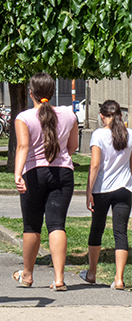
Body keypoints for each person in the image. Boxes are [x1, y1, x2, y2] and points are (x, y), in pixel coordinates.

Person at [13, 72, 79, 291]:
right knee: (57, 225)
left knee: (32, 226)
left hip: (34, 173)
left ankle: (28, 275)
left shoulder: (24, 117)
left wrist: (18, 174)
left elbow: (23, 147)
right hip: (62, 173)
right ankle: (59, 279)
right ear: (51, 93)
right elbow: (72, 147)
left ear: (30, 93)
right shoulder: (69, 115)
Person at [82, 100, 132, 290]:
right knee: (120, 232)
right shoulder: (130, 135)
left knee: (97, 229)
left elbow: (94, 165)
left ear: (102, 115)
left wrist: (89, 191)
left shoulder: (99, 135)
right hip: (125, 189)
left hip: (102, 190)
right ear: (120, 115)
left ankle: (92, 273)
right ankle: (119, 278)